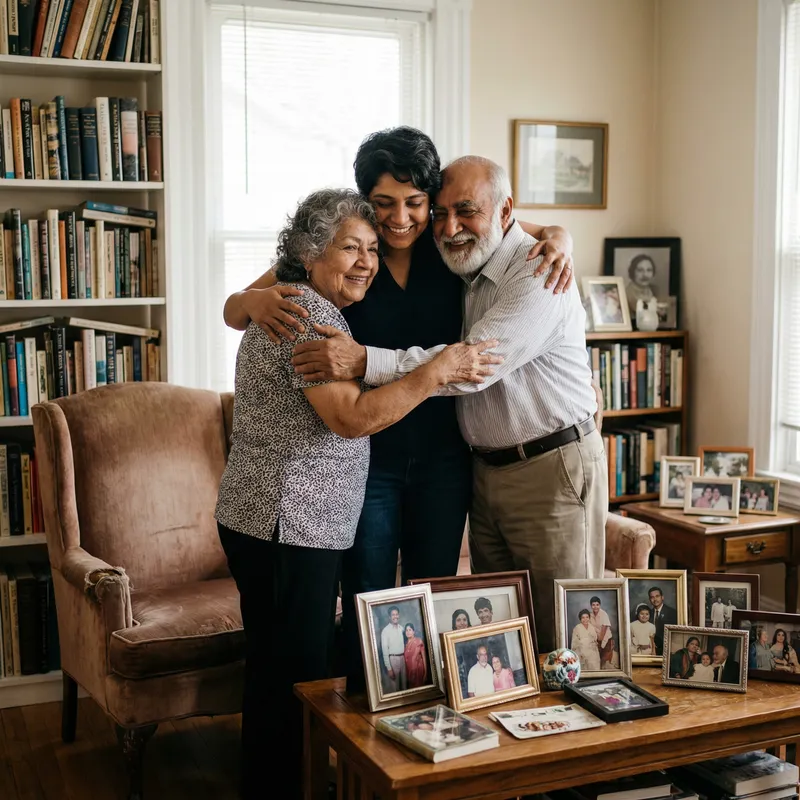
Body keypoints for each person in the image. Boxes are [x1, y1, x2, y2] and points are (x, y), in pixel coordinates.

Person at [222, 129, 575, 687]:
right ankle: (365, 721)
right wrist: (250, 299)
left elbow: (516, 226)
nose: (401, 218)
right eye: (384, 203)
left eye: (416, 203)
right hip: (372, 457)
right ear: (367, 202)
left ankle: (430, 717)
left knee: (433, 598)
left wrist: (561, 236)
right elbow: (235, 309)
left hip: (445, 457)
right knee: (369, 601)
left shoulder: (449, 242)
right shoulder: (351, 250)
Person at [214, 189, 495, 799]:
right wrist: (436, 371)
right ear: (310, 253)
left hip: (271, 518)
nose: (366, 261)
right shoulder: (308, 316)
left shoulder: (299, 302)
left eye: (372, 249)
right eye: (351, 248)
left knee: (273, 670)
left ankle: (270, 784)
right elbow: (351, 419)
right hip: (289, 521)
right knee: (298, 678)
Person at [355, 156, 607, 651]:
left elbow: (471, 367)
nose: (449, 228)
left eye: (466, 211)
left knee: (564, 636)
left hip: (549, 468)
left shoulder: (538, 270)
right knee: (506, 634)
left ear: (506, 210)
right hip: (485, 474)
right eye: (441, 213)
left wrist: (362, 360)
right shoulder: (466, 265)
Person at [379, 606, 407, 691]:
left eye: (396, 614)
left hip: (403, 659)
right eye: (393, 615)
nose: (395, 616)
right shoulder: (385, 631)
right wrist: (389, 668)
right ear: (389, 617)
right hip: (393, 660)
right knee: (395, 687)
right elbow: (385, 651)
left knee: (405, 686)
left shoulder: (402, 629)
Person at [649, 586, 677, 655]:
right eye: (652, 597)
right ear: (650, 600)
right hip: (651, 649)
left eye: (657, 596)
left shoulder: (672, 613)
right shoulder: (648, 614)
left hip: (667, 649)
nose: (655, 599)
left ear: (662, 597)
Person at [589, 596, 614, 667]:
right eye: (593, 605)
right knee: (595, 659)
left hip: (605, 639)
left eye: (597, 605)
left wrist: (599, 644)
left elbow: (603, 631)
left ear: (600, 605)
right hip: (596, 639)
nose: (595, 607)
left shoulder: (603, 614)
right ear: (591, 606)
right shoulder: (590, 615)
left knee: (604, 660)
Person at [403, 622, 428, 688]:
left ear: (413, 631)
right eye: (406, 630)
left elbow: (424, 658)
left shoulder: (419, 641)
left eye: (410, 630)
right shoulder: (405, 645)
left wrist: (426, 673)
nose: (408, 632)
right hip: (409, 673)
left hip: (418, 671)